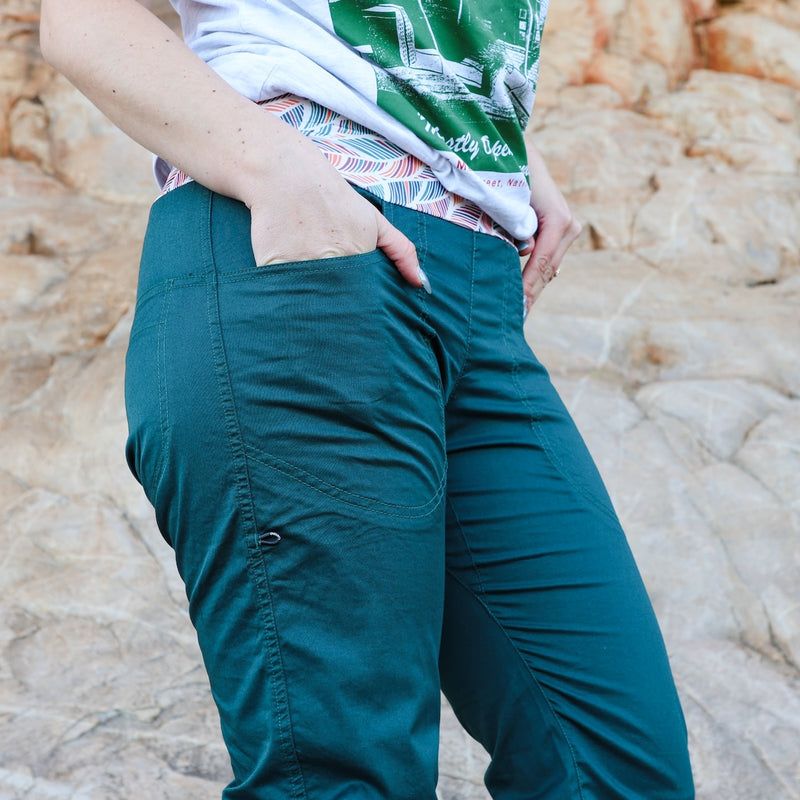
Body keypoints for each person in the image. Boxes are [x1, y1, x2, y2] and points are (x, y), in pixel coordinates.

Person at [40, 1, 695, 798]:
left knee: (619, 769)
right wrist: (277, 171)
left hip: (479, 299)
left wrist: (504, 152)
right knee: (344, 774)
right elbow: (82, 15)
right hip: (306, 269)